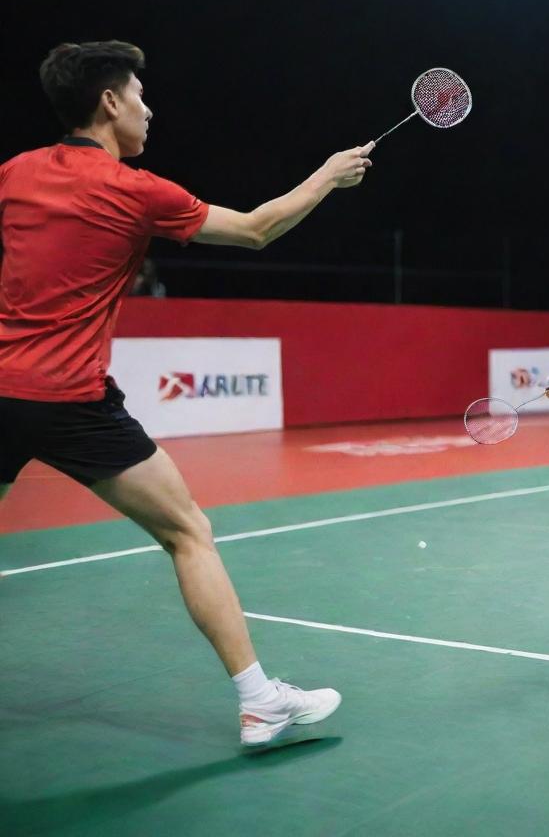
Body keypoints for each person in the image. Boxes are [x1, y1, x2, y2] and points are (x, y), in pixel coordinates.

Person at [0, 40, 374, 746]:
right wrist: (327, 175)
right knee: (187, 532)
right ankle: (260, 702)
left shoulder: (14, 174)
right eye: (140, 94)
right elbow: (259, 229)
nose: (150, 107)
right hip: (73, 401)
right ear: (109, 102)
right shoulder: (138, 190)